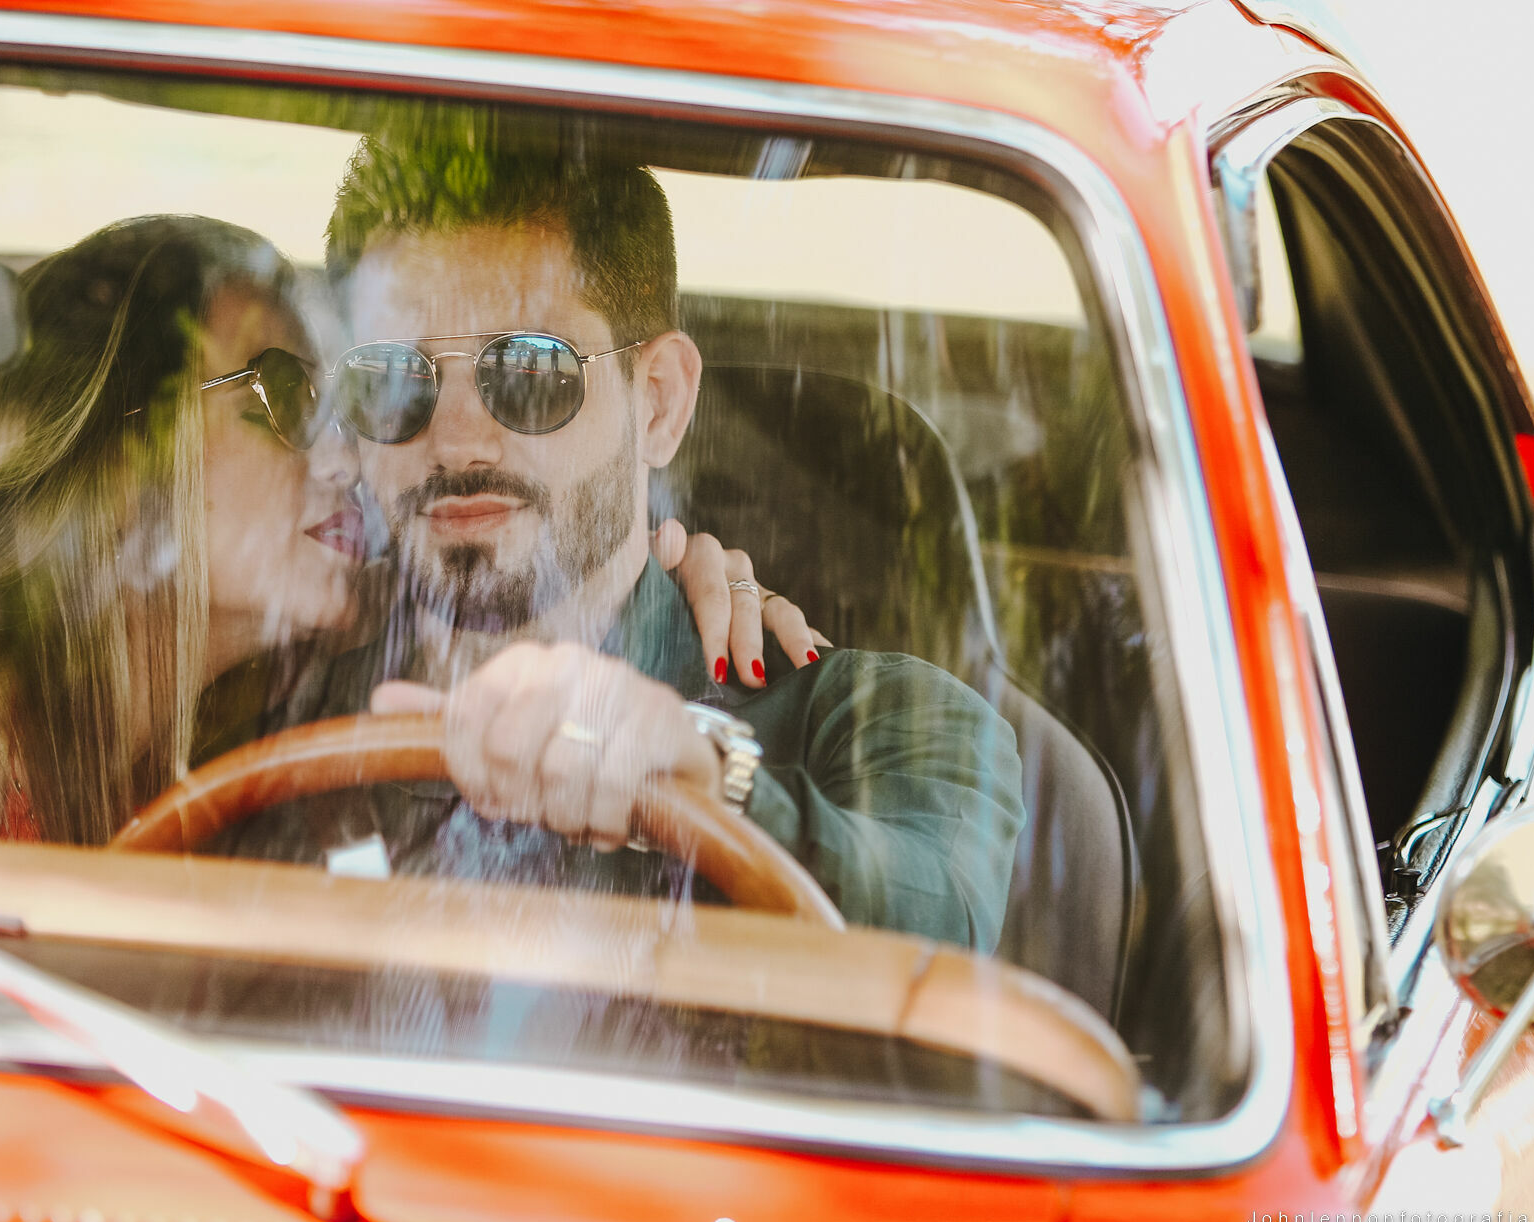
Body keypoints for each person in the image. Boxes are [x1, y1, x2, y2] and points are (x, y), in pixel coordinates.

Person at [0, 215, 817, 845]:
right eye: (287, 396)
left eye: (350, 406)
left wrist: (664, 598)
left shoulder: (261, 724)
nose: (350, 455)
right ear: (121, 454)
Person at [243, 117, 1026, 950]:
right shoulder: (281, 708)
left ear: (658, 404)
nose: (459, 442)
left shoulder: (875, 720)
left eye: (530, 370)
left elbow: (934, 926)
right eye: (395, 377)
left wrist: (714, 787)